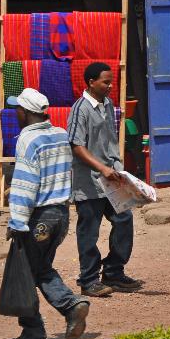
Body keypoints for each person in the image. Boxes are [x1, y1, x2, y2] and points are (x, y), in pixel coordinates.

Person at [5, 88, 90, 339]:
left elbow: (25, 185)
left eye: (17, 108)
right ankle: (70, 308)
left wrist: (17, 222)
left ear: (27, 113)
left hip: (39, 216)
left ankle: (35, 331)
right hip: (61, 215)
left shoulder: (28, 141)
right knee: (39, 267)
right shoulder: (60, 134)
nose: (14, 112)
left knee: (24, 271)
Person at [67, 62, 142, 297]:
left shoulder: (108, 105)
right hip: (88, 182)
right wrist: (102, 168)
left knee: (124, 220)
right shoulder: (80, 109)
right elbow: (76, 146)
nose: (110, 86)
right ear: (91, 82)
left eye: (111, 82)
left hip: (111, 179)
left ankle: (113, 272)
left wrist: (118, 170)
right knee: (89, 231)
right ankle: (88, 280)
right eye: (105, 82)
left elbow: (109, 141)